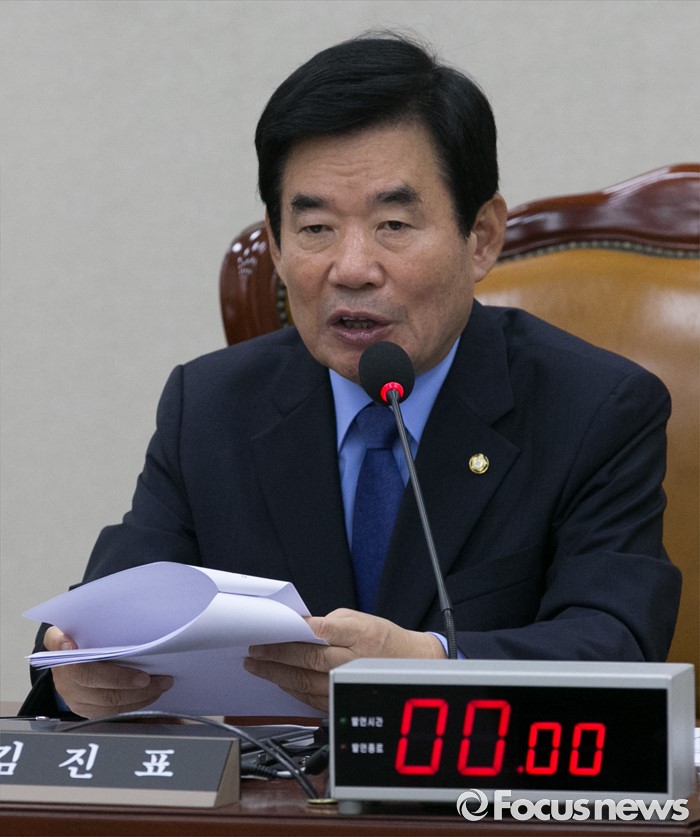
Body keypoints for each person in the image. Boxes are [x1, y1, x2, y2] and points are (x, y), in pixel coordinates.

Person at [21, 33, 681, 720]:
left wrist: (432, 667)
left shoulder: (594, 409)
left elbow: (616, 645)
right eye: (316, 228)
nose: (353, 267)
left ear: (482, 236)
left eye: (393, 223)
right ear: (277, 246)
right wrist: (76, 673)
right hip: (272, 787)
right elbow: (103, 616)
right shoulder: (211, 407)